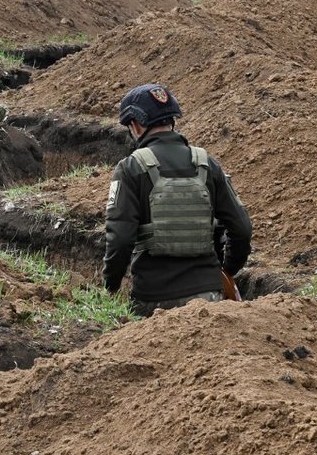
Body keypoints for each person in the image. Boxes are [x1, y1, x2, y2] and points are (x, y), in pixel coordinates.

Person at [102, 83, 252, 317]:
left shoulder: (130, 168)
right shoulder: (207, 164)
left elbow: (120, 240)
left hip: (152, 302)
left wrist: (110, 286)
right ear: (171, 120)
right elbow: (241, 229)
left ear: (136, 125)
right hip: (209, 300)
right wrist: (227, 270)